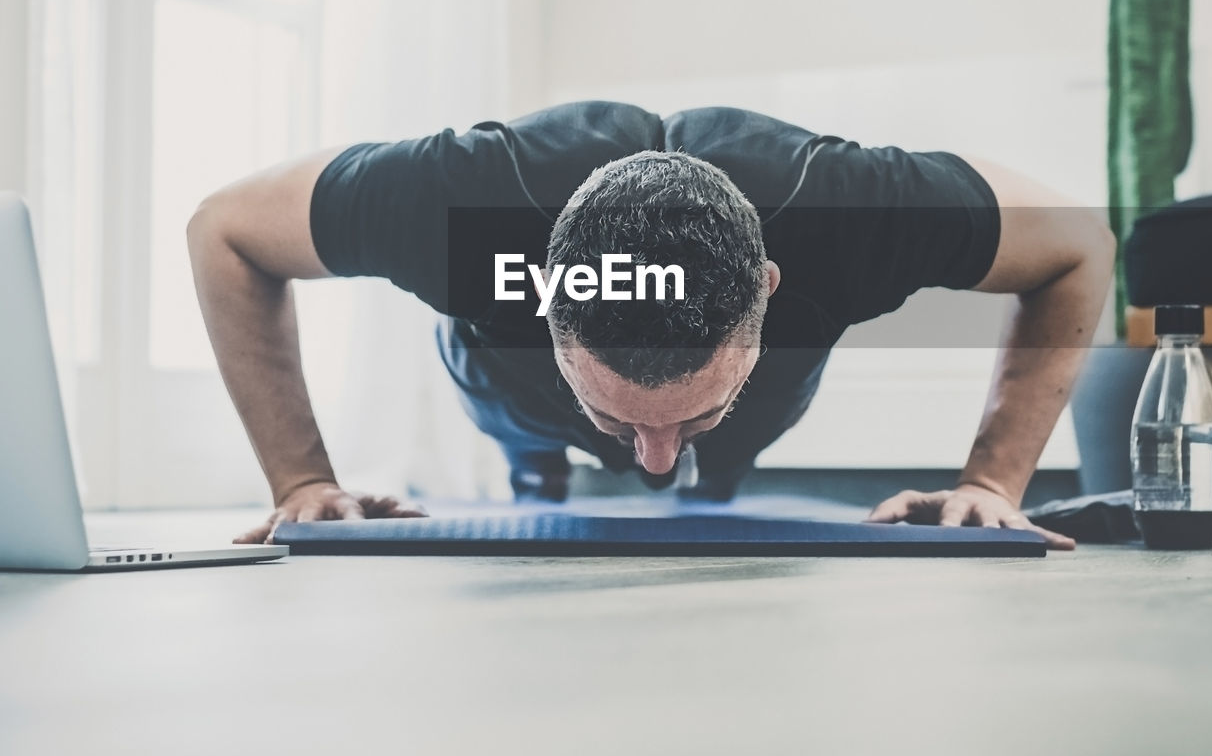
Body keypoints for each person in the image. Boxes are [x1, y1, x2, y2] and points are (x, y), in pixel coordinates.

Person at [187, 103, 1113, 550]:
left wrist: (993, 481)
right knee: (537, 438)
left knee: (710, 459)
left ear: (769, 290)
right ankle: (549, 449)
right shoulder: (459, 198)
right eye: (626, 419)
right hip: (511, 384)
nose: (651, 460)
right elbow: (224, 232)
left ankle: (721, 450)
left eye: (686, 419)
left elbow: (1079, 246)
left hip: (764, 386)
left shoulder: (850, 210)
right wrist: (302, 479)